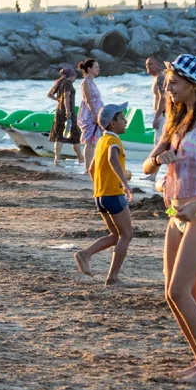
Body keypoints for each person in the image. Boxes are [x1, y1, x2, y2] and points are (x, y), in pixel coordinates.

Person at [143, 54, 196, 383]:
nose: (167, 88)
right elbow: (146, 166)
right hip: (175, 213)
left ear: (194, 87)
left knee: (183, 291)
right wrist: (159, 157)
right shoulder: (176, 120)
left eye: (174, 83)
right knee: (178, 294)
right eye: (167, 83)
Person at [75, 103, 134, 284]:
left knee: (115, 235)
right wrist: (125, 184)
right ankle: (113, 278)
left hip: (100, 196)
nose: (125, 121)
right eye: (122, 118)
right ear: (112, 123)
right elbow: (112, 159)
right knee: (126, 235)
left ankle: (85, 254)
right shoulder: (114, 140)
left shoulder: (101, 141)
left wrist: (101, 185)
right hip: (113, 195)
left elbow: (92, 168)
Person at [46, 66, 82, 165]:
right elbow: (66, 98)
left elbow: (49, 95)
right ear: (72, 76)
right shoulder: (68, 83)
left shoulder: (60, 82)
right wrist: (68, 111)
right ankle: (80, 158)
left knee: (58, 135)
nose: (75, 78)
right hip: (68, 112)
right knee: (75, 135)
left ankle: (56, 158)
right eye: (75, 76)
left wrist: (58, 100)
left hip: (59, 111)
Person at [77, 58, 103, 176]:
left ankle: (92, 167)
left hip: (96, 111)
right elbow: (88, 99)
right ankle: (87, 169)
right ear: (89, 69)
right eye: (96, 67)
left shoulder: (92, 82)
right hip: (90, 113)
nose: (98, 69)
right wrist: (94, 114)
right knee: (89, 140)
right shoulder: (86, 82)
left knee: (93, 141)